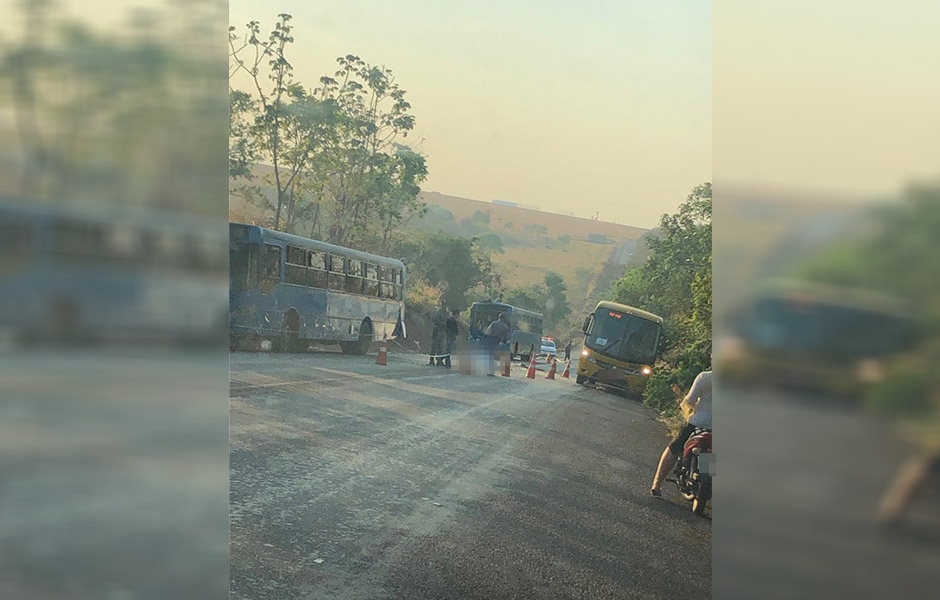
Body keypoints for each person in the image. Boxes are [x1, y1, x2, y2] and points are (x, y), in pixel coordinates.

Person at [651, 363, 712, 498]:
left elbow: (690, 400)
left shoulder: (704, 377)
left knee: (674, 448)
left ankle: (657, 484)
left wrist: (691, 408)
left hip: (696, 423)